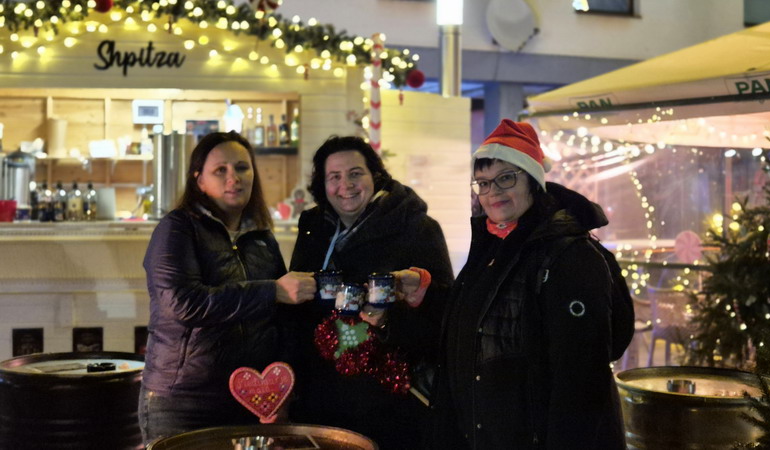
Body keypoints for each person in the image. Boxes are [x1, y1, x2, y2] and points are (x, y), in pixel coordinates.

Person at [429, 119, 626, 449]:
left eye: (506, 178)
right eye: (483, 183)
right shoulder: (493, 246)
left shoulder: (569, 256)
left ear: (533, 181)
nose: (493, 192)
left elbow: (581, 381)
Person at [138, 131, 316, 445]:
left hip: (251, 399)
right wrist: (270, 291)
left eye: (242, 168)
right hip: (184, 402)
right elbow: (182, 303)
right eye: (220, 170)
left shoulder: (261, 237)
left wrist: (283, 384)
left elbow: (282, 317)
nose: (233, 178)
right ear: (199, 181)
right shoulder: (178, 227)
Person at [288, 135, 454, 449]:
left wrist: (389, 321)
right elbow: (299, 315)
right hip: (320, 400)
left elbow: (444, 317)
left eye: (355, 173)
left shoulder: (416, 228)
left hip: (389, 403)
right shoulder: (314, 229)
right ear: (322, 185)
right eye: (334, 177)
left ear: (375, 176)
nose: (345, 185)